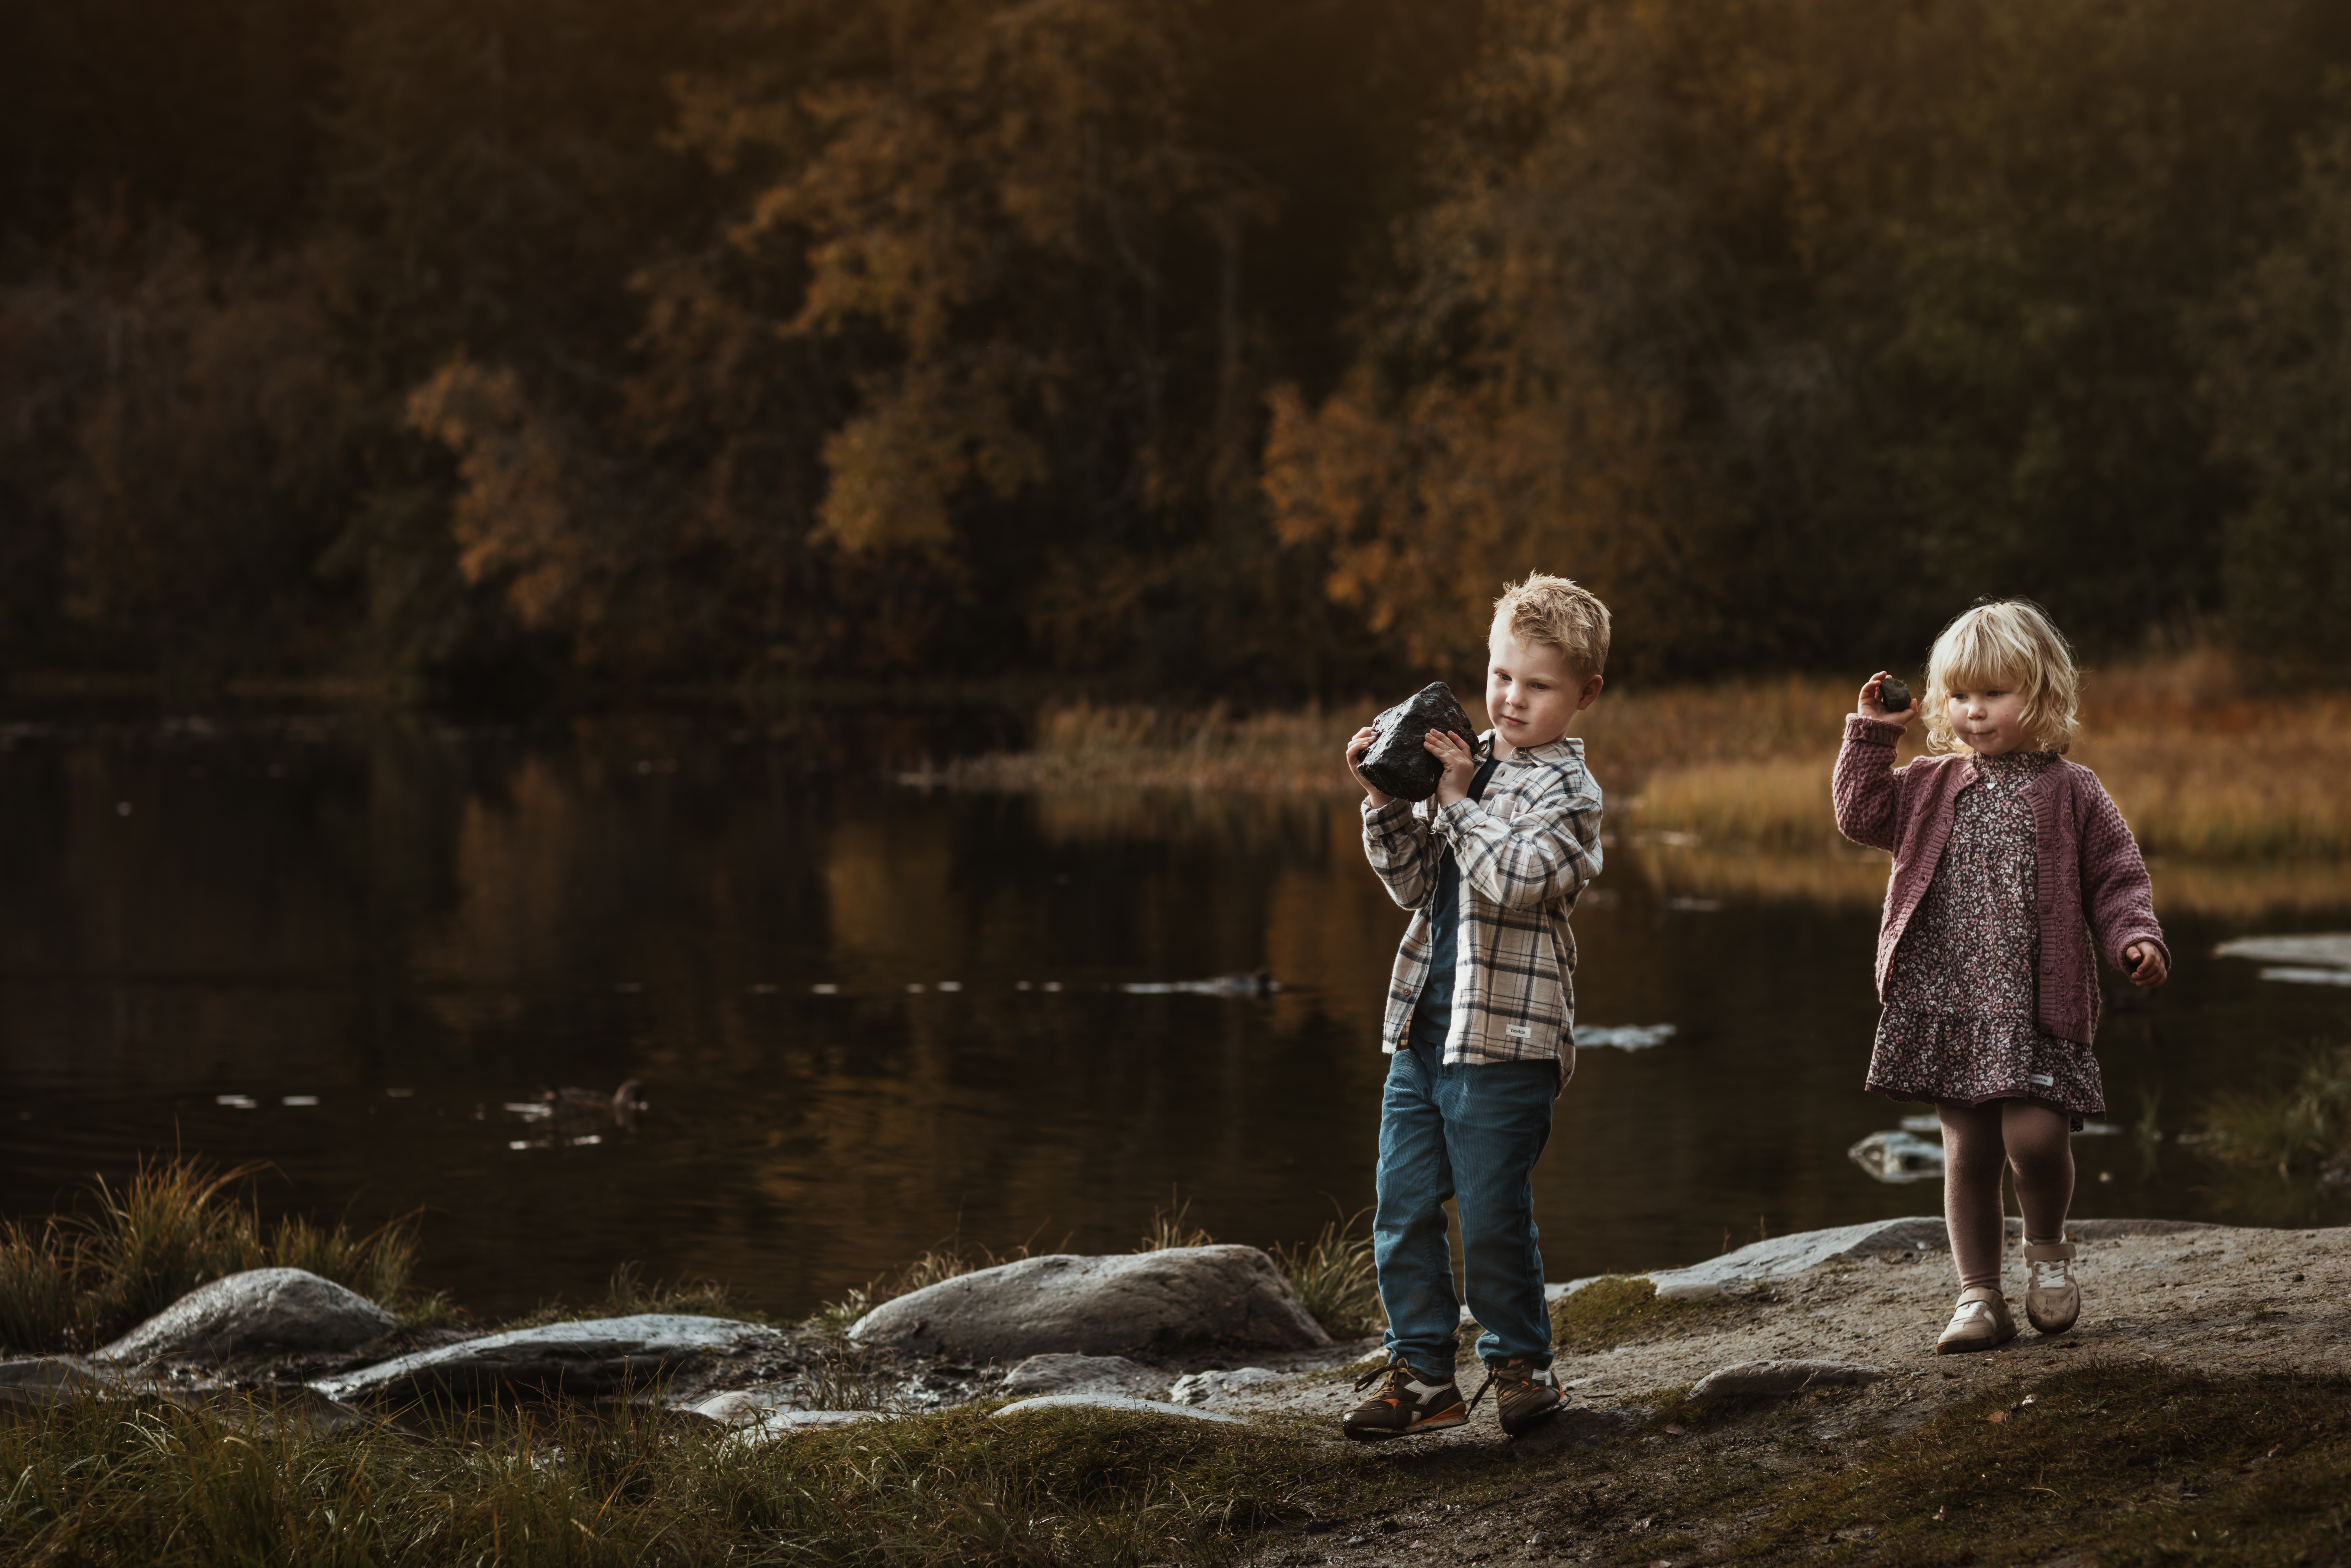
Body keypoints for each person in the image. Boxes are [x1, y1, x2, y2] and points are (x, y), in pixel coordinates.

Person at [1834, 599, 2167, 1354]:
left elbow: (2117, 880)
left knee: (2038, 1140)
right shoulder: (1926, 783)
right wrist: (1872, 733)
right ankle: (1977, 1295)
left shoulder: (2073, 791)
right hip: (1949, 1000)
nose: (1974, 712)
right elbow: (1858, 815)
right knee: (1969, 1152)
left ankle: (2046, 1255)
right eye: (1959, 697)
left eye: (1994, 694)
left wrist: (2134, 939)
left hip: (2034, 1007)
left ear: (2042, 693)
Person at [1339, 573, 1608, 1440]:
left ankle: (1521, 1363)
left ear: (1584, 695)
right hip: (1423, 1032)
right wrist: (1388, 797)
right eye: (1501, 676)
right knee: (1402, 1204)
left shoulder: (1570, 796)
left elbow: (1520, 880)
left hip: (1509, 1039)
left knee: (1493, 1214)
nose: (1511, 698)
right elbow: (1418, 884)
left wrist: (1455, 803)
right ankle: (1422, 1375)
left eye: (1538, 685)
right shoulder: (1460, 758)